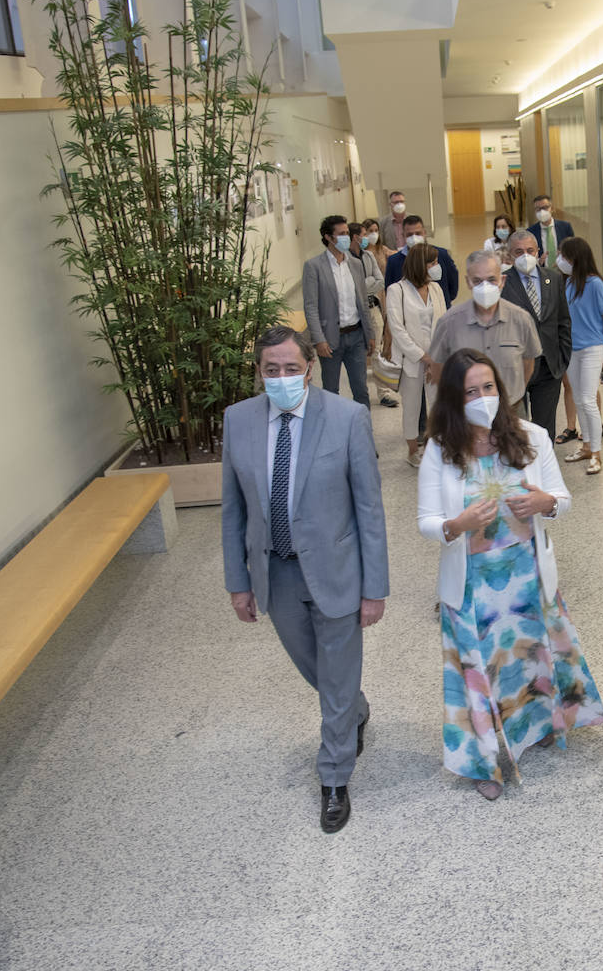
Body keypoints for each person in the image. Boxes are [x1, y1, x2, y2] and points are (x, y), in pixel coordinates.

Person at [221, 325, 389, 833]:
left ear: (309, 370)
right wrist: (238, 581)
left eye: (291, 369)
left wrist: (374, 587)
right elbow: (232, 510)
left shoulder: (346, 418)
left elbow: (369, 509)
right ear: (259, 372)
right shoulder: (238, 421)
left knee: (335, 676)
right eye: (271, 370)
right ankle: (354, 709)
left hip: (337, 571)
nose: (281, 378)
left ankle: (334, 776)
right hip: (275, 572)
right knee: (317, 670)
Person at [417, 348, 603, 800]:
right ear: (452, 401)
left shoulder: (533, 437)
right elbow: (425, 519)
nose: (482, 398)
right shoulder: (441, 450)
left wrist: (545, 503)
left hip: (527, 577)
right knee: (477, 673)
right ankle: (481, 759)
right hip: (472, 584)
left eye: (488, 388)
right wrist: (456, 525)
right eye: (470, 392)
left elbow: (561, 499)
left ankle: (538, 725)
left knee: (529, 657)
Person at [427, 249, 542, 411]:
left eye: (491, 280)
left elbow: (528, 364)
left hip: (511, 409)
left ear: (502, 281)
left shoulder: (521, 320)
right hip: (465, 411)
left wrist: (514, 393)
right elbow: (437, 366)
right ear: (468, 282)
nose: (485, 286)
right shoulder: (449, 323)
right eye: (478, 281)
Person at [501, 229, 571, 440]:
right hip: (516, 368)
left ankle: (543, 470)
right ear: (510, 255)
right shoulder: (502, 283)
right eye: (519, 251)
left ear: (538, 251)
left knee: (545, 430)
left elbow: (563, 320)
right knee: (517, 429)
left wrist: (562, 359)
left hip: (549, 367)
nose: (525, 256)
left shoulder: (554, 278)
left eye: (530, 250)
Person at [302, 215, 376, 409]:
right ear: (328, 237)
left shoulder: (355, 264)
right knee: (331, 391)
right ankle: (333, 431)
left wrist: (370, 333)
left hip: (357, 335)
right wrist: (319, 339)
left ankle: (363, 430)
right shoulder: (314, 267)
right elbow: (310, 307)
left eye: (347, 233)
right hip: (330, 340)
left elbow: (362, 302)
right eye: (341, 234)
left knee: (361, 389)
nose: (346, 237)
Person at [385, 242, 448, 466]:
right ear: (420, 264)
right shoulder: (396, 291)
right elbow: (398, 330)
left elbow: (444, 323)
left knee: (439, 404)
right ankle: (413, 450)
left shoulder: (436, 289)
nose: (436, 266)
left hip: (436, 359)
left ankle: (438, 446)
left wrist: (436, 359)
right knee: (412, 407)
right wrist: (424, 357)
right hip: (411, 360)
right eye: (432, 262)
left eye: (436, 262)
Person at [555, 236, 603, 475]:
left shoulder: (595, 284)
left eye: (564, 256)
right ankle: (586, 446)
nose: (560, 260)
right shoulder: (568, 284)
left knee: (588, 399)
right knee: (578, 399)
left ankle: (597, 453)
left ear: (575, 258)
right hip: (572, 350)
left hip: (592, 349)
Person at [348, 221, 397, 409]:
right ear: (356, 237)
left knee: (377, 352)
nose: (368, 238)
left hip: (372, 308)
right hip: (353, 312)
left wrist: (359, 285)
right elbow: (347, 288)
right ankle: (361, 397)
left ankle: (384, 393)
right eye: (364, 234)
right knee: (358, 356)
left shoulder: (368, 256)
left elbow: (380, 282)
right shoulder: (343, 259)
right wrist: (364, 284)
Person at [385, 215, 459, 303]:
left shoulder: (441, 254)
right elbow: (390, 290)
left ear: (424, 233)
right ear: (403, 235)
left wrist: (445, 299)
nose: (414, 238)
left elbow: (453, 280)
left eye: (418, 233)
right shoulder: (394, 261)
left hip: (440, 308)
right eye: (409, 235)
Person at [527, 193, 574, 268]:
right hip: (543, 272)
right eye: (538, 209)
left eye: (545, 208)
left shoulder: (565, 227)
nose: (541, 211)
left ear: (552, 209)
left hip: (563, 271)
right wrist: (538, 261)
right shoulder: (530, 232)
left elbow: (573, 250)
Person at [378, 190, 412, 255]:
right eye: (396, 202)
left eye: (401, 201)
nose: (399, 204)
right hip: (392, 257)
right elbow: (381, 244)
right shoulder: (383, 222)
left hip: (411, 256)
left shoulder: (413, 219)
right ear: (390, 204)